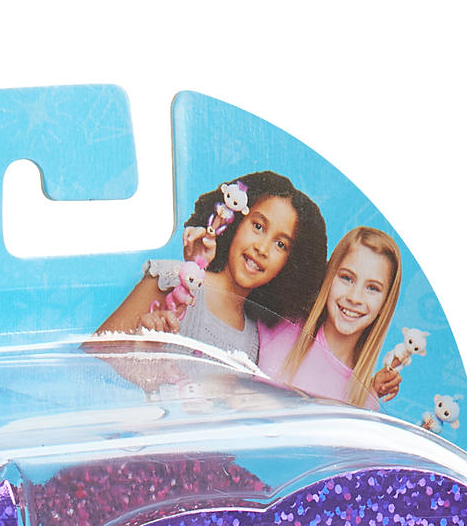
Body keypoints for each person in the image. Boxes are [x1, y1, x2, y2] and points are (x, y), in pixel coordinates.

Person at [96, 171, 328, 364]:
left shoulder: (254, 342)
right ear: (236, 221)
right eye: (258, 226)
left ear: (290, 263)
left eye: (280, 244)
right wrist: (137, 348)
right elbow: (89, 359)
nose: (262, 248)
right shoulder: (171, 279)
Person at [257, 225, 406, 407]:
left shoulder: (365, 403)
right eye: (347, 278)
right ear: (330, 276)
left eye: (372, 288)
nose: (354, 297)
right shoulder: (278, 324)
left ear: (385, 303)